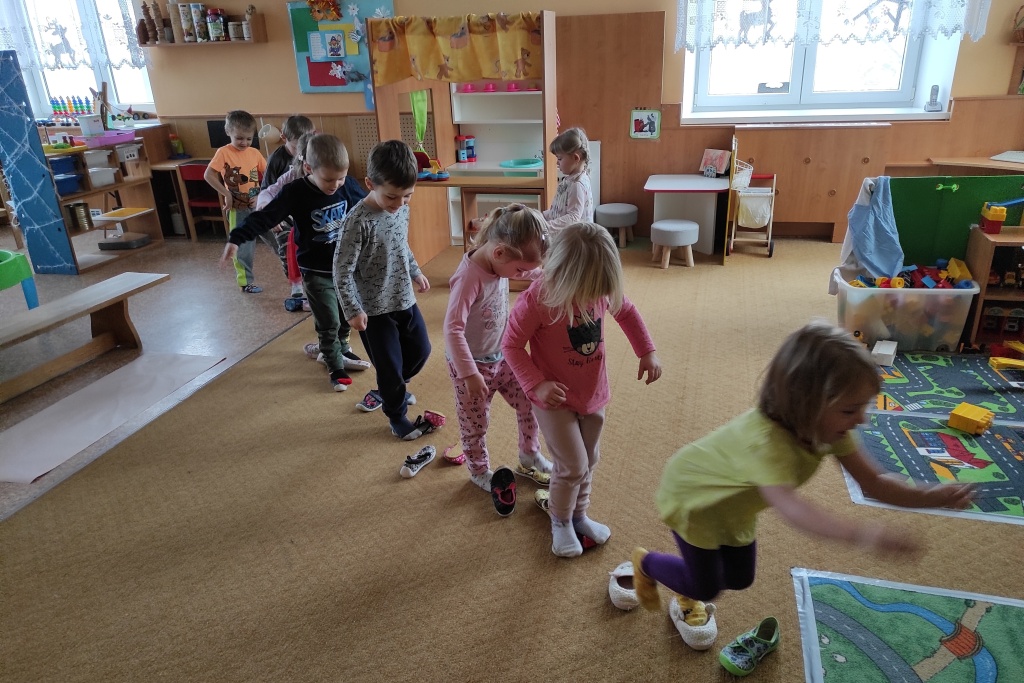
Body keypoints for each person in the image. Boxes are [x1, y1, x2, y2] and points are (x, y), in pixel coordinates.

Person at [631, 320, 974, 672]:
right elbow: (794, 510)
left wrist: (931, 496)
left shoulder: (829, 428)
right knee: (706, 587)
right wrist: (864, 534)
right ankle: (647, 564)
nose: (861, 420)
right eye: (849, 409)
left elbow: (874, 481)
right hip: (696, 498)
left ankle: (685, 574)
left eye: (863, 406)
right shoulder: (767, 445)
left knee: (740, 578)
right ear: (805, 404)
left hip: (735, 505)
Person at [502, 222, 662, 556]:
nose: (594, 299)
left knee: (590, 459)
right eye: (587, 292)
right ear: (563, 275)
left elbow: (626, 311)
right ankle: (560, 521)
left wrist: (646, 351)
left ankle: (579, 515)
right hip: (553, 399)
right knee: (572, 465)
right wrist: (537, 384)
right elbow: (511, 345)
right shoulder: (538, 299)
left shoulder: (599, 289)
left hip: (593, 392)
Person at [220, 133, 371, 391]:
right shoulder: (295, 192)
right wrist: (237, 237)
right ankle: (334, 365)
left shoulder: (346, 185)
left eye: (341, 178)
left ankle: (342, 347)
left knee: (346, 314)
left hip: (345, 269)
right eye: (328, 179)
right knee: (328, 320)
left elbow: (368, 207)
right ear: (309, 168)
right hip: (315, 270)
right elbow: (265, 217)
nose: (335, 185)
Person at [443, 204, 553, 515]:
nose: (523, 276)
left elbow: (529, 271)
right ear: (500, 252)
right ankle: (479, 470)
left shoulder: (500, 261)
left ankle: (529, 454)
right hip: (471, 367)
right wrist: (468, 373)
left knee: (530, 400)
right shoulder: (468, 278)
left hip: (503, 356)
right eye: (519, 271)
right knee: (476, 423)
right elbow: (452, 329)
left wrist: (547, 274)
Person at [334, 140, 438, 440]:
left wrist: (415, 271)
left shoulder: (401, 209)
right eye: (392, 196)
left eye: (407, 196)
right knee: (389, 366)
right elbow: (341, 270)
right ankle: (396, 415)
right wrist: (352, 310)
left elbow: (401, 244)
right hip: (373, 309)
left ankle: (391, 388)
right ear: (370, 184)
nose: (399, 204)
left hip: (403, 297)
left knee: (421, 350)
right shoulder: (357, 222)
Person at [205, 110, 266, 293]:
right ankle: (245, 282)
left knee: (279, 237)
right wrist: (226, 193)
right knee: (243, 246)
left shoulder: (254, 153)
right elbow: (208, 175)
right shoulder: (223, 153)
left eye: (249, 139)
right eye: (239, 138)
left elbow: (268, 175)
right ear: (228, 131)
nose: (244, 143)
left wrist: (261, 194)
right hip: (237, 208)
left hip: (257, 206)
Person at [260, 115, 316, 299]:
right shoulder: (277, 160)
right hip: (283, 214)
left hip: (307, 211)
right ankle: (296, 286)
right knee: (287, 248)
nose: (300, 152)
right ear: (284, 137)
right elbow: (268, 191)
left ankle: (312, 286)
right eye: (296, 147)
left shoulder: (315, 155)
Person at [542, 127, 594, 231]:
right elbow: (559, 210)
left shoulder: (577, 184)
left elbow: (573, 217)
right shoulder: (571, 179)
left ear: (575, 158)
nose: (557, 162)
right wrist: (541, 216)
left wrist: (546, 226)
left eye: (559, 158)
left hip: (576, 238)